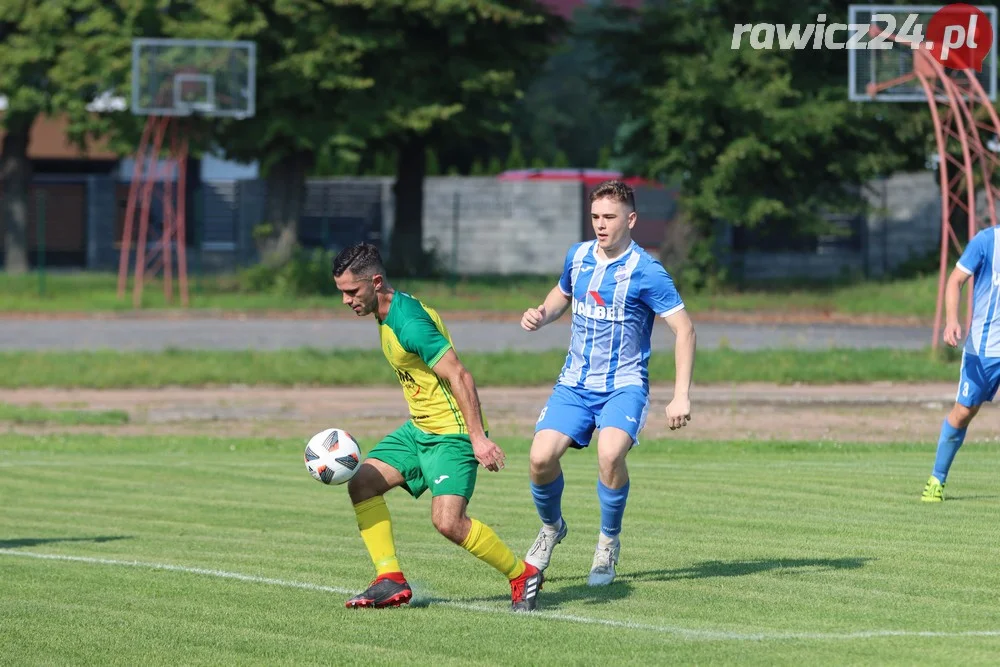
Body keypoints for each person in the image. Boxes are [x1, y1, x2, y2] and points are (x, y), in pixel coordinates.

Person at [332, 242, 543, 610]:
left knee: (448, 523)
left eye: (352, 291)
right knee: (362, 483)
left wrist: (478, 438)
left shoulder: (409, 322)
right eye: (342, 293)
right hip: (419, 431)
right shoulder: (384, 312)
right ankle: (389, 579)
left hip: (452, 435)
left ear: (376, 282)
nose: (347, 300)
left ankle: (521, 574)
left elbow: (460, 374)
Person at [519, 179, 697, 585]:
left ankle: (607, 543)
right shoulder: (578, 256)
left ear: (630, 220)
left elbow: (684, 330)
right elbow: (562, 292)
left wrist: (681, 395)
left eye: (610, 217)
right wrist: (541, 314)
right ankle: (551, 529)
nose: (601, 225)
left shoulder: (648, 272)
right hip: (575, 383)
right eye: (596, 216)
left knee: (611, 453)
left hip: (624, 384)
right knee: (540, 458)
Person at [922, 226, 1000, 502]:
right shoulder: (986, 241)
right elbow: (955, 281)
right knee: (963, 413)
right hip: (983, 349)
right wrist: (952, 320)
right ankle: (936, 480)